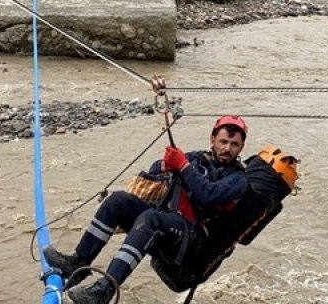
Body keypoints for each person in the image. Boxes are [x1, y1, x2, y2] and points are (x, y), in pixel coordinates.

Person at [44, 116, 250, 304]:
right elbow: (155, 171)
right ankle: (78, 262)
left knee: (151, 218)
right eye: (223, 142)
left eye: (234, 145)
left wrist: (182, 166)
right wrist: (164, 165)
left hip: (191, 240)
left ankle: (105, 289)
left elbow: (209, 194)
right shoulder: (195, 158)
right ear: (212, 139)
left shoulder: (238, 179)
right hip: (167, 223)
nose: (227, 149)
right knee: (118, 200)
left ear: (241, 148)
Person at [152, 145, 299, 293]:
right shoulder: (271, 207)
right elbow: (246, 239)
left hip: (179, 254)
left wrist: (182, 165)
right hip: (195, 272)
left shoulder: (240, 188)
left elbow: (207, 195)